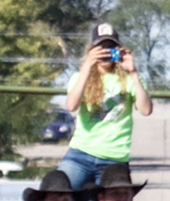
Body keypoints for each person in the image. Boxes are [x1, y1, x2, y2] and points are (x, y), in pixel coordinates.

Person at [60, 22, 152, 190]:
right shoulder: (79, 77)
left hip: (114, 158)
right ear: (91, 51)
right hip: (81, 153)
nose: (106, 53)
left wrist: (133, 72)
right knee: (58, 195)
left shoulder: (129, 78)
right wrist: (87, 67)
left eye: (111, 48)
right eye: (101, 48)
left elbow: (146, 110)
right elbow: (71, 106)